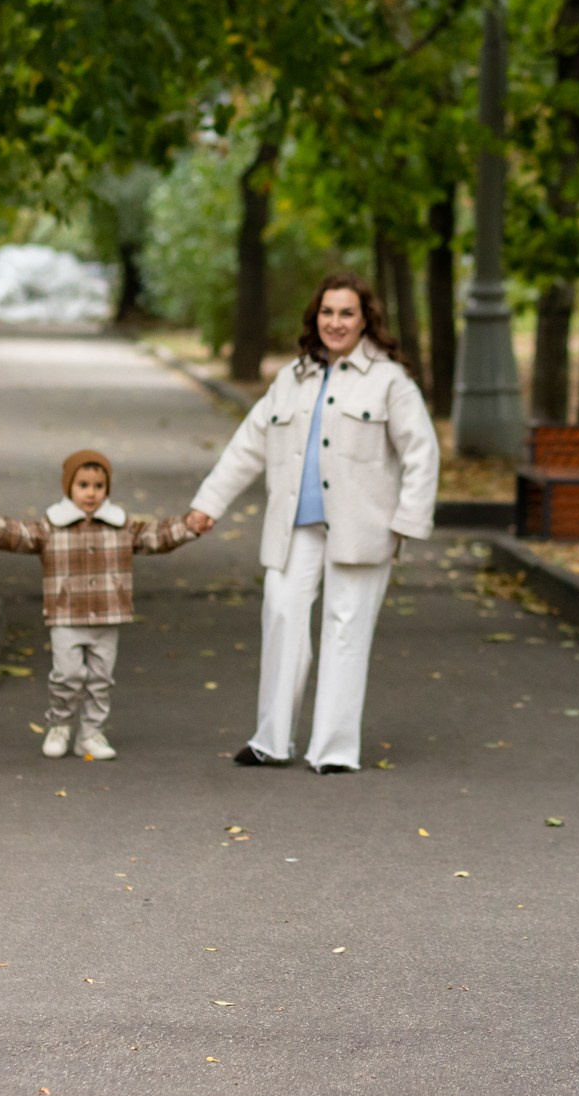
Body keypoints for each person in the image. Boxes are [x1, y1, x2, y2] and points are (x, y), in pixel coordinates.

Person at [184, 271, 439, 774]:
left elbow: (421, 453)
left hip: (363, 529)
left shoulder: (390, 380)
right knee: (281, 614)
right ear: (314, 318)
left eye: (347, 312)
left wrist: (408, 521)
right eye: (327, 312)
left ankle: (334, 749)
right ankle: (271, 740)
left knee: (346, 629)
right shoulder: (292, 378)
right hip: (295, 525)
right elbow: (248, 445)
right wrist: (209, 502)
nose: (336, 322)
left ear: (365, 319)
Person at [0, 449, 195, 761]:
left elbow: (158, 536)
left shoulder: (121, 526)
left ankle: (90, 733)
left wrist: (190, 525)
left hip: (107, 615)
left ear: (107, 489)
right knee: (67, 675)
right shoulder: (52, 526)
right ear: (69, 487)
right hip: (66, 616)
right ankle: (60, 723)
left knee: (101, 679)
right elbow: (18, 535)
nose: (91, 493)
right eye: (83, 485)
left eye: (98, 486)